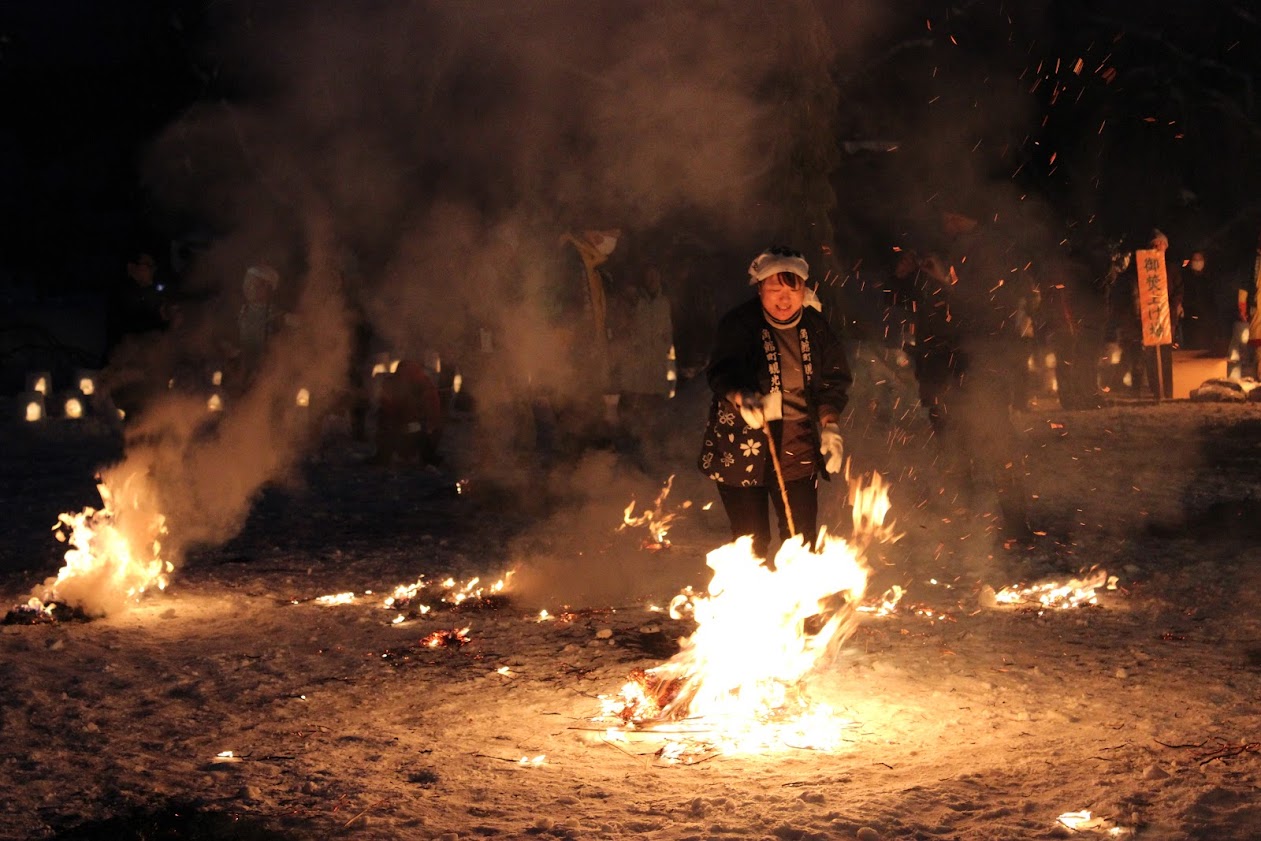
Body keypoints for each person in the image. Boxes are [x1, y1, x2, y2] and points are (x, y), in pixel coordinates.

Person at [697, 246, 852, 561]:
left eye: (792, 290)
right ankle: (751, 601)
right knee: (750, 540)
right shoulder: (740, 324)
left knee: (801, 537)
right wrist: (741, 397)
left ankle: (798, 604)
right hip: (743, 443)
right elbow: (721, 371)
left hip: (798, 443)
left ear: (804, 289)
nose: (784, 299)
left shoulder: (816, 326)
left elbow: (833, 380)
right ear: (759, 289)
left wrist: (830, 423)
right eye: (775, 289)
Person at [613, 263, 675, 463]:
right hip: (633, 372)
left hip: (655, 372)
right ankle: (627, 458)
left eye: (654, 277)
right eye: (648, 277)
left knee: (652, 418)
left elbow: (668, 336)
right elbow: (621, 332)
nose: (651, 281)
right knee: (630, 415)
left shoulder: (664, 303)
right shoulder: (633, 301)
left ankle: (651, 457)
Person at [373, 352, 445, 468]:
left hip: (399, 435)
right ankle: (428, 456)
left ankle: (383, 455)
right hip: (416, 435)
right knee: (427, 429)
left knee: (386, 424)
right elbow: (434, 412)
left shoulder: (391, 383)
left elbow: (385, 410)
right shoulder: (425, 383)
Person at [235, 263, 282, 386]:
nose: (246, 288)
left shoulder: (276, 317)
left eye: (252, 284)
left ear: (267, 287)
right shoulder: (241, 312)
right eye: (246, 283)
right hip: (239, 372)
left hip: (266, 376)